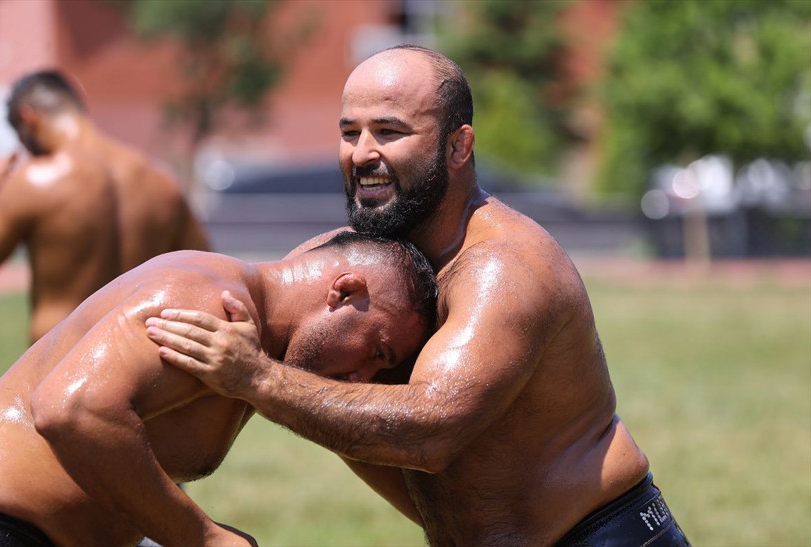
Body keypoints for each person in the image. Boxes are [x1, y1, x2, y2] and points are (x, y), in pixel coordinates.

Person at [145, 45, 691, 545]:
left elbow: (433, 431)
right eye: (349, 131)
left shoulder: (502, 267)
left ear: (459, 145)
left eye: (389, 131)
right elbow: (258, 352)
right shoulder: (342, 265)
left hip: (602, 535)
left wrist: (259, 378)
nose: (362, 154)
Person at [0, 231, 438, 547]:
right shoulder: (210, 302)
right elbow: (71, 411)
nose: (363, 377)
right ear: (344, 292)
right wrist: (200, 537)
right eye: (378, 352)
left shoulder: (250, 352)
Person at [0, 70, 210, 343]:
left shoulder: (34, 182)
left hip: (58, 367)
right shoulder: (161, 182)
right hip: (143, 367)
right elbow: (207, 275)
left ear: (28, 119)